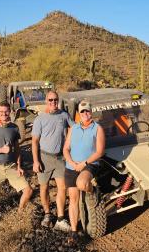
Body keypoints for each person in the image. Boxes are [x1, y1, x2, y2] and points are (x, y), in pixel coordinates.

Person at [0, 101, 33, 232]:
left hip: (10, 166)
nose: (4, 114)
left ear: (10, 112)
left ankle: (20, 213)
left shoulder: (14, 128)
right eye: (1, 111)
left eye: (6, 111)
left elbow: (17, 149)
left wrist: (19, 166)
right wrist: (1, 150)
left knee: (28, 190)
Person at [63, 100, 105, 242]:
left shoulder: (97, 128)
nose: (85, 114)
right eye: (82, 111)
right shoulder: (73, 128)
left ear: (91, 112)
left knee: (82, 183)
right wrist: (72, 162)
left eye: (87, 111)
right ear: (79, 114)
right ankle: (74, 231)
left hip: (90, 164)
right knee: (73, 199)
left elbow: (99, 152)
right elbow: (66, 149)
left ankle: (94, 191)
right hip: (72, 166)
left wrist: (84, 163)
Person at [32, 90, 73, 231]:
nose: (53, 102)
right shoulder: (40, 119)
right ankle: (48, 214)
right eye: (50, 100)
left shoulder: (64, 115)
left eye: (55, 100)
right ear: (46, 102)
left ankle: (61, 218)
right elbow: (34, 141)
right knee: (44, 187)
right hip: (44, 158)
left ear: (58, 100)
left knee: (62, 187)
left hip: (60, 157)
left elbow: (74, 128)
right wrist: (36, 161)